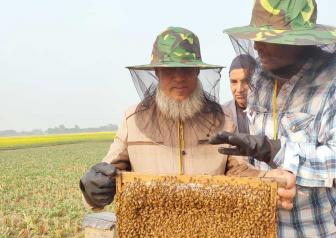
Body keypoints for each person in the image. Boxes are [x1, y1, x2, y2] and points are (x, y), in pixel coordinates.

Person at [79, 27, 295, 211]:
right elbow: (107, 174)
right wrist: (92, 190)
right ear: (157, 72)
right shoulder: (132, 120)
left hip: (209, 228)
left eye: (187, 69)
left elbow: (237, 171)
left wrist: (267, 179)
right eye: (170, 70)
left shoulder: (221, 119)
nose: (180, 77)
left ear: (197, 72)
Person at [210, 0, 336, 238]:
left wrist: (277, 151)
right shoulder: (260, 79)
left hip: (312, 231)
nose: (257, 45)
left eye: (269, 37)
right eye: (257, 36)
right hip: (260, 227)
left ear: (301, 41)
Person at [224, 54, 257, 134]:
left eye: (245, 81)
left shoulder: (270, 111)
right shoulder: (222, 114)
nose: (239, 89)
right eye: (234, 82)